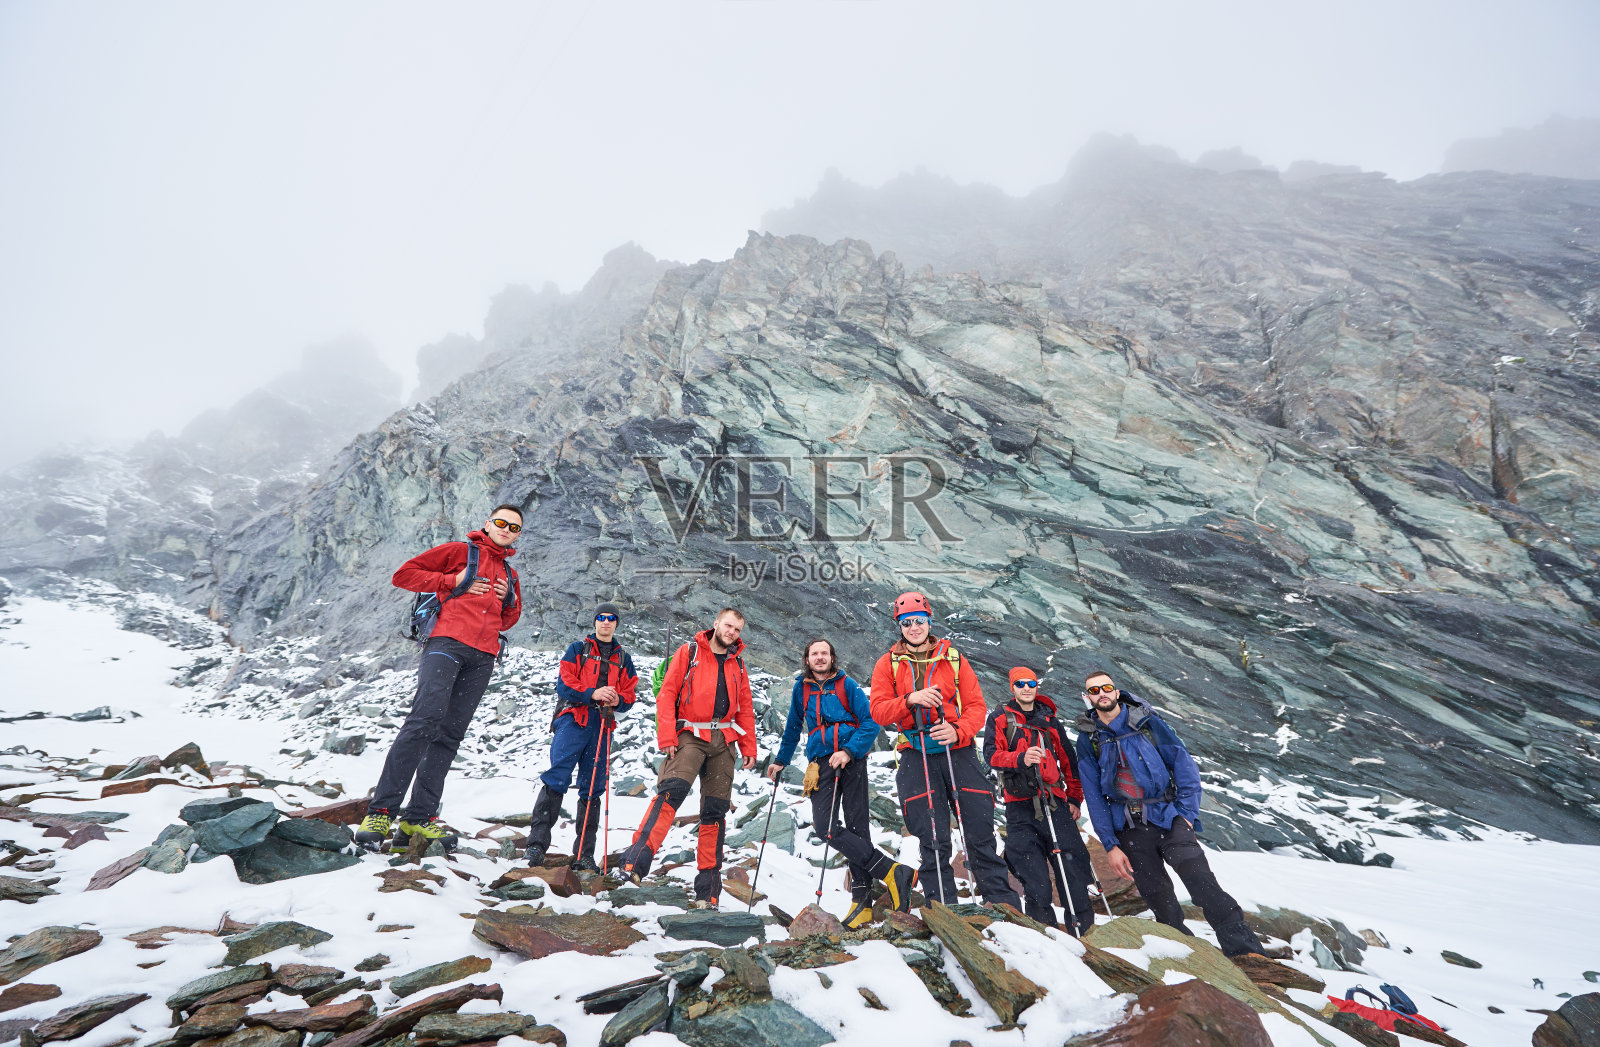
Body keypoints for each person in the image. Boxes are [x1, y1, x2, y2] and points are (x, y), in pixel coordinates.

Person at [356, 506, 523, 850]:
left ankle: (418, 820)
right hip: (446, 643)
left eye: (515, 527)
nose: (507, 529)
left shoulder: (510, 573)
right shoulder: (459, 552)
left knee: (449, 735)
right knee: (423, 720)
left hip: (483, 657)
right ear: (488, 525)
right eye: (502, 523)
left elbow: (506, 620)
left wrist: (508, 600)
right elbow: (404, 575)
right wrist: (453, 581)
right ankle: (381, 811)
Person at [1074, 669, 1265, 956]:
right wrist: (1111, 845)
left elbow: (1184, 766)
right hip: (1129, 827)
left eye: (1106, 687)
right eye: (1094, 690)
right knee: (1158, 897)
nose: (1101, 693)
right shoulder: (1088, 740)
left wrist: (1186, 814)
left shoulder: (1149, 724)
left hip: (1169, 817)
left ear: (1116, 691)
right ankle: (1188, 958)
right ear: (1087, 697)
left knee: (1202, 883)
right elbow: (1094, 796)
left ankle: (1247, 954)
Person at [868, 592, 1020, 909]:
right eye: (906, 622)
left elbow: (976, 706)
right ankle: (943, 910)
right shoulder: (887, 664)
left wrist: (957, 730)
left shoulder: (952, 658)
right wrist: (910, 700)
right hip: (914, 751)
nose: (913, 627)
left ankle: (1004, 907)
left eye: (919, 621)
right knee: (932, 837)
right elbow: (879, 712)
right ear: (899, 625)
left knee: (979, 831)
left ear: (929, 621)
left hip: (958, 750)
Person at [767, 638, 918, 927]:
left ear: (832, 657)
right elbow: (792, 728)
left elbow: (871, 721)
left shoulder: (847, 685)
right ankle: (892, 871)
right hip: (822, 763)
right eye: (815, 654)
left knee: (858, 828)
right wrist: (780, 760)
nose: (820, 658)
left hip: (852, 760)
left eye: (825, 653)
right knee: (825, 827)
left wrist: (848, 751)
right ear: (807, 659)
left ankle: (861, 903)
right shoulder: (802, 688)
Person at [620, 608, 757, 907]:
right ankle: (633, 863)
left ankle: (708, 890)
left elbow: (744, 707)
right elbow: (667, 693)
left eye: (737, 629)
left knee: (715, 811)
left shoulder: (739, 665)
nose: (732, 632)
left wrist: (749, 747)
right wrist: (667, 736)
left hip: (724, 740)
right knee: (671, 792)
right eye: (728, 626)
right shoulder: (690, 651)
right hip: (689, 734)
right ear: (716, 623)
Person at [523, 602, 638, 871]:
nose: (606, 622)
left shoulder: (624, 659)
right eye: (601, 618)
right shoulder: (578, 650)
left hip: (602, 725)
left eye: (611, 618)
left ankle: (584, 856)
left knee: (593, 786)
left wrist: (617, 699)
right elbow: (565, 683)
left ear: (616, 623)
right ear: (595, 621)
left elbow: (629, 695)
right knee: (557, 777)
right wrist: (593, 693)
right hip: (574, 719)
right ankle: (536, 847)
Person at [985, 667, 1096, 934]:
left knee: (1073, 875)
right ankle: (1044, 939)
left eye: (1031, 683)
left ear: (1037, 686)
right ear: (1012, 687)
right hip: (1019, 807)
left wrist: (1074, 800)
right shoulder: (1000, 718)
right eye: (1020, 684)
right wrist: (1020, 758)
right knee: (1035, 880)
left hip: (1056, 805)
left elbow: (1070, 764)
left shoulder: (1050, 721)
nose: (1026, 688)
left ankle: (1085, 937)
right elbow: (990, 755)